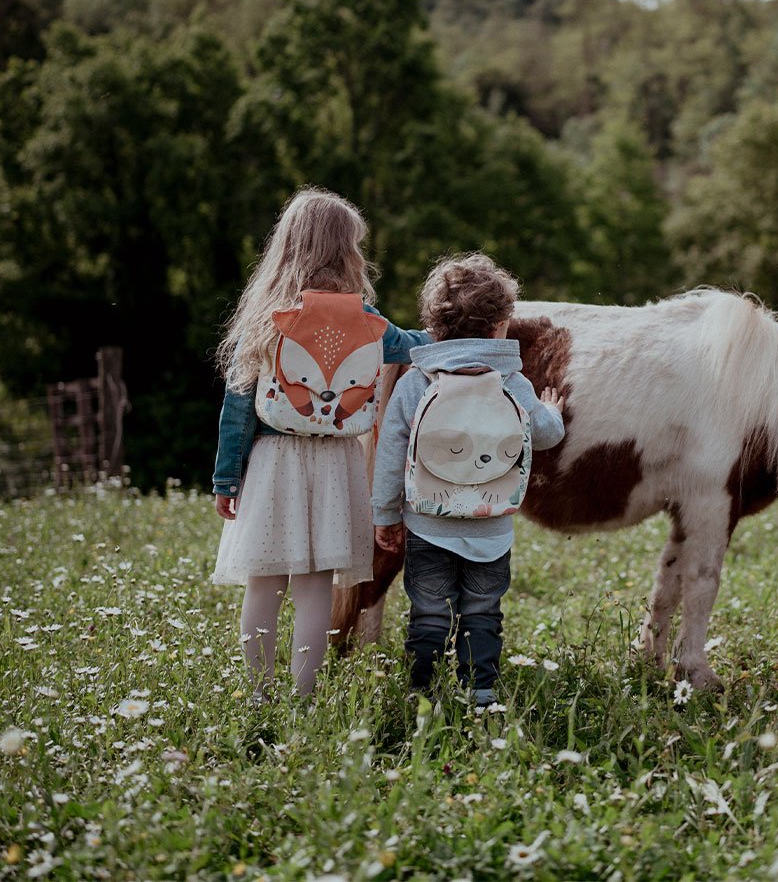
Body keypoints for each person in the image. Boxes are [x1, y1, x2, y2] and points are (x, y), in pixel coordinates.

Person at [211, 187, 429, 699]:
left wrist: (226, 478)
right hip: (335, 463)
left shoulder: (266, 318)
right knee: (315, 587)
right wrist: (458, 333)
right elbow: (412, 347)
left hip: (272, 462)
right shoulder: (365, 320)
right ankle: (303, 697)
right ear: (347, 251)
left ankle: (259, 695)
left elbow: (238, 408)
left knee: (263, 584)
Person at [371, 253, 564, 706]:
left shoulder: (417, 381)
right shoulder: (511, 381)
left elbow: (391, 452)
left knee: (428, 613)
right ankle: (480, 690)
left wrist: (385, 513)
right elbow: (546, 434)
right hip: (490, 527)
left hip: (428, 523)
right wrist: (552, 410)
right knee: (482, 611)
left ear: (434, 325)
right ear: (499, 327)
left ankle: (421, 691)